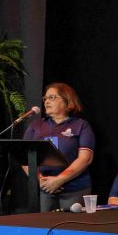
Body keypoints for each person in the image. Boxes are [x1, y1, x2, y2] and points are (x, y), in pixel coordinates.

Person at [23, 82, 95, 212]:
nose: (46, 102)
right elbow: (24, 157)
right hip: (45, 189)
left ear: (68, 101)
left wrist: (59, 180)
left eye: (52, 97)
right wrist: (40, 180)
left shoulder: (81, 125)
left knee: (72, 225)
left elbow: (85, 159)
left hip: (74, 189)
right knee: (46, 224)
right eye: (45, 98)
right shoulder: (36, 126)